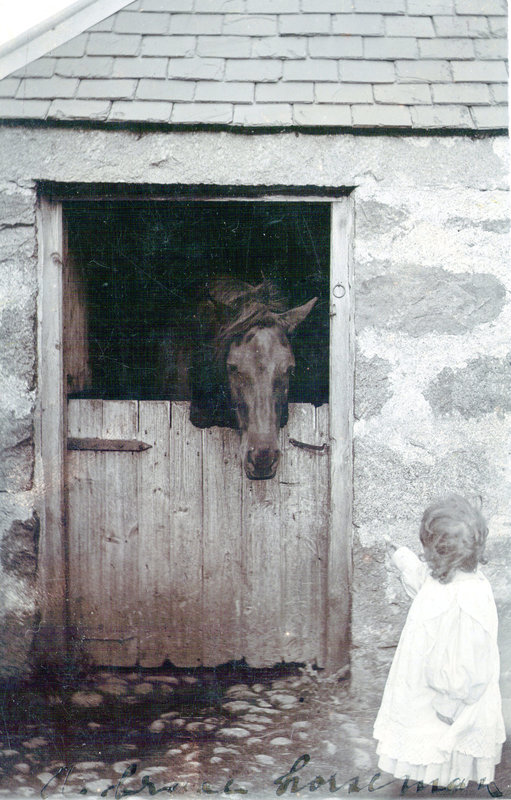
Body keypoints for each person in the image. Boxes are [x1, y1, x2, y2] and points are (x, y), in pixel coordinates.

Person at [373, 494, 506, 788]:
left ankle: (443, 787)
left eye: (428, 550)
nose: (425, 557)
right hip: (426, 684)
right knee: (429, 744)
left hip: (449, 695)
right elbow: (424, 583)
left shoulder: (470, 596)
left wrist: (451, 701)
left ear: (443, 553)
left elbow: (471, 660)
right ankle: (431, 783)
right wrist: (402, 557)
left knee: (441, 743)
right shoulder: (443, 577)